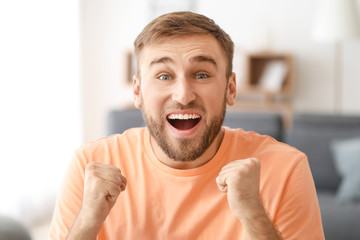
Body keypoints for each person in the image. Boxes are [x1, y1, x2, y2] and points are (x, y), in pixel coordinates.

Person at [49, 11, 324, 240]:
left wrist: (253, 215)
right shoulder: (89, 166)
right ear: (137, 92)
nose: (183, 95)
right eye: (164, 75)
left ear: (230, 88)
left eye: (202, 74)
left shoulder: (286, 169)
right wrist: (87, 223)